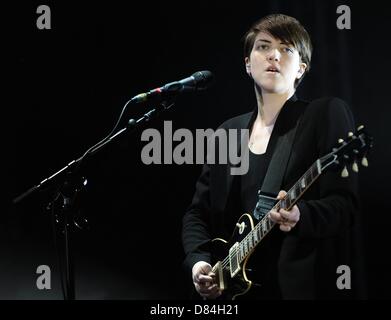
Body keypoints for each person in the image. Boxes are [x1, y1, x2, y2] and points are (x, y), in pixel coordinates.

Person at [182, 14, 365, 299]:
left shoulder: (324, 114)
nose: (274, 56)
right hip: (236, 294)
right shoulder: (226, 133)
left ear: (301, 69)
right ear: (247, 63)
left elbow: (346, 205)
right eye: (263, 46)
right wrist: (199, 261)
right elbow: (197, 213)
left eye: (286, 49)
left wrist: (301, 214)